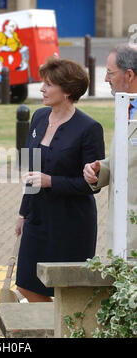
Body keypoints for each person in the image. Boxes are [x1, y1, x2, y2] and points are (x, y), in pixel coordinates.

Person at [14, 57, 105, 302]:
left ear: (67, 91)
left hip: (71, 222)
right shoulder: (39, 117)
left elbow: (92, 185)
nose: (42, 89)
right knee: (26, 284)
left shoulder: (89, 128)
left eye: (48, 84)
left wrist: (50, 181)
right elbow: (32, 172)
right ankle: (50, 328)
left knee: (67, 292)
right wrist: (23, 213)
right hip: (37, 217)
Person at [83, 44, 137, 255]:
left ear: (130, 75)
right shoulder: (126, 108)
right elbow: (129, 160)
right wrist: (100, 170)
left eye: (110, 73)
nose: (106, 78)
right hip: (120, 238)